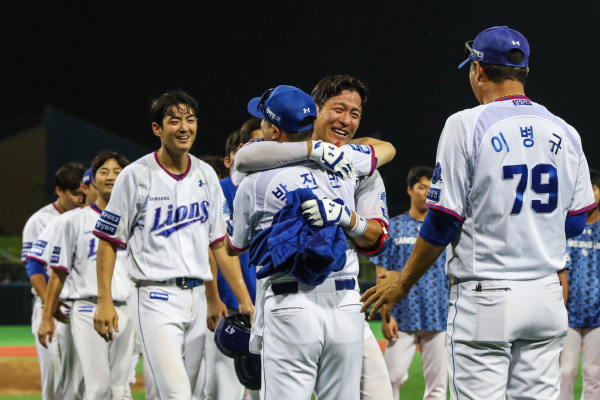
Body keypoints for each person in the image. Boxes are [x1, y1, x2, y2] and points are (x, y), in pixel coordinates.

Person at [361, 26, 596, 399]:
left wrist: (403, 281)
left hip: (486, 293)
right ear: (524, 72)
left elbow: (442, 220)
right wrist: (530, 230)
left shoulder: (466, 123)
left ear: (479, 70)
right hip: (546, 295)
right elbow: (576, 221)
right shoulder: (566, 131)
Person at [231, 75, 394, 399]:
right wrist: (312, 149)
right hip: (304, 301)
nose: (346, 120)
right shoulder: (347, 163)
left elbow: (237, 244)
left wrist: (349, 219)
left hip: (336, 304)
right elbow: (244, 157)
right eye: (338, 109)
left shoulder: (351, 162)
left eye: (355, 113)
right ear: (314, 110)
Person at [92, 90, 254, 399]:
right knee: (176, 394)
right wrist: (104, 300)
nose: (184, 127)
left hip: (196, 298)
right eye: (174, 120)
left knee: (182, 392)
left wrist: (240, 299)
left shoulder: (206, 175)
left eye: (190, 120)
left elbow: (218, 244)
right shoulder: (135, 175)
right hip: (154, 296)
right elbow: (107, 241)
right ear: (157, 129)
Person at [38, 151, 135, 399]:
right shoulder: (74, 221)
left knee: (119, 389)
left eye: (117, 171)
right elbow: (58, 272)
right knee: (98, 388)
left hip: (127, 307)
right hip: (86, 308)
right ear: (92, 181)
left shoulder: (136, 220)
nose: (111, 177)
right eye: (103, 172)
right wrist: (46, 316)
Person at [197, 125, 263, 400]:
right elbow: (210, 248)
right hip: (230, 308)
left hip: (268, 306)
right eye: (251, 145)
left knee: (271, 390)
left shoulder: (274, 188)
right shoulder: (220, 190)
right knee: (222, 392)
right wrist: (214, 297)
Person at [371, 166, 448, 400]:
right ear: (409, 190)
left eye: (430, 188)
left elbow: (451, 274)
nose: (425, 192)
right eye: (421, 187)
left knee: (437, 386)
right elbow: (382, 272)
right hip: (402, 315)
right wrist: (386, 315)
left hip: (437, 315)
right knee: (391, 379)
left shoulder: (442, 227)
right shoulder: (393, 227)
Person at [22, 162, 86, 400]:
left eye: (83, 192)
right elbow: (34, 266)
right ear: (60, 191)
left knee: (81, 383)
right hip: (50, 305)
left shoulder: (86, 216)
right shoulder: (39, 221)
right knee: (53, 383)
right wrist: (50, 306)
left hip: (80, 306)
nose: (80, 198)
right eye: (75, 193)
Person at [559, 169, 600, 400]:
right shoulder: (568, 228)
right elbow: (559, 271)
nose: (591, 194)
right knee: (565, 371)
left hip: (598, 315)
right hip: (568, 314)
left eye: (595, 189)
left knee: (594, 373)